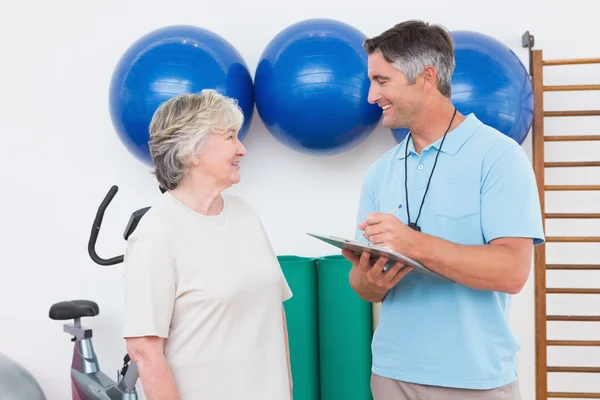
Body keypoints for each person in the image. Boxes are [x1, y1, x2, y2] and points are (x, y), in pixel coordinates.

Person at [342, 20, 545, 399]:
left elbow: (512, 271)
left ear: (426, 77)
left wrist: (413, 244)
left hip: (475, 381)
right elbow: (361, 286)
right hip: (390, 375)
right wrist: (372, 280)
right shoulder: (380, 172)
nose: (371, 96)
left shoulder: (500, 158)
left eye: (382, 81)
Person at [121, 89, 293, 400]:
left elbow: (274, 314)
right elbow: (144, 352)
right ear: (191, 151)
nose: (242, 149)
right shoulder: (156, 233)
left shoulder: (244, 214)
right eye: (229, 137)